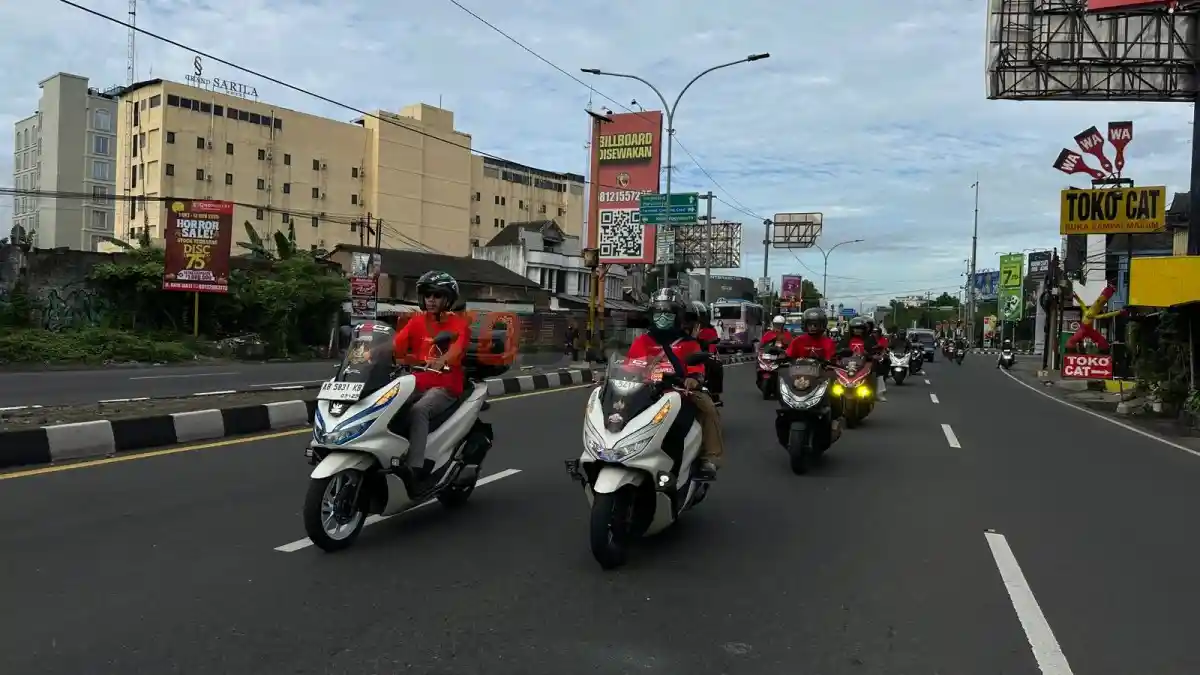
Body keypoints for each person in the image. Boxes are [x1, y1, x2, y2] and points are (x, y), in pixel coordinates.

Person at [627, 288, 724, 480]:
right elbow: (629, 366)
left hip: (680, 391)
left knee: (708, 408)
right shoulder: (642, 341)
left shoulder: (689, 343)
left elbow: (697, 370)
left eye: (667, 313)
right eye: (658, 313)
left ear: (677, 316)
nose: (662, 317)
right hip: (646, 391)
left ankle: (710, 458)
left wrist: (693, 380)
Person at [392, 270, 470, 489]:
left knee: (419, 411)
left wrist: (442, 360)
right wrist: (372, 353)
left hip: (446, 384)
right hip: (416, 380)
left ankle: (415, 468)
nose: (431, 300)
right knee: (387, 402)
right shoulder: (417, 322)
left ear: (447, 299)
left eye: (437, 295)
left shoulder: (457, 324)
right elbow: (397, 343)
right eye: (428, 295)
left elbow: (457, 347)